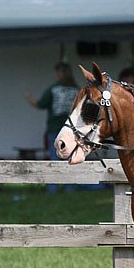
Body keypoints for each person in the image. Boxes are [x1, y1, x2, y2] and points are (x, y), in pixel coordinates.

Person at [25, 62, 79, 193]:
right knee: (70, 157)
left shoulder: (53, 89)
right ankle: (69, 188)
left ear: (60, 73)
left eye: (57, 72)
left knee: (54, 158)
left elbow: (40, 104)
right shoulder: (76, 89)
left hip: (55, 128)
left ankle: (53, 188)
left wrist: (29, 98)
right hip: (71, 129)